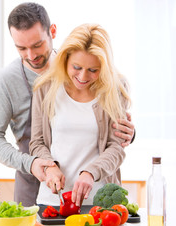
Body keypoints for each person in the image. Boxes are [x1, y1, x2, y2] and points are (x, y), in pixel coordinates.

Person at [0, 2, 135, 207]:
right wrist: (34, 163)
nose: (31, 55)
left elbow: (110, 139)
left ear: (53, 32)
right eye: (21, 48)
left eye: (37, 45)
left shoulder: (86, 66)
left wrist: (128, 134)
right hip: (34, 184)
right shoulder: (11, 82)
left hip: (94, 192)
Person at [30, 23, 131, 207]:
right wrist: (50, 166)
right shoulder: (45, 87)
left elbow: (116, 147)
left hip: (99, 202)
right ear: (65, 59)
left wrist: (90, 172)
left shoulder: (116, 89)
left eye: (93, 70)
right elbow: (37, 142)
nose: (83, 77)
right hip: (52, 200)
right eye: (76, 67)